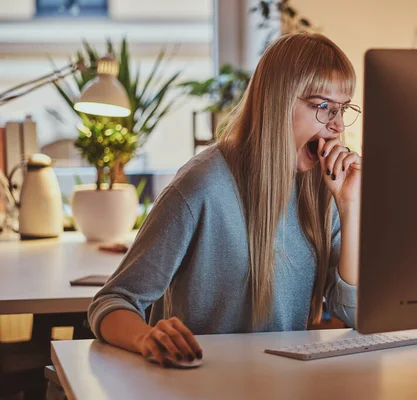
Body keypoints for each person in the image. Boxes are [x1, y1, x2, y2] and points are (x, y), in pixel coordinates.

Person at [88, 32, 363, 367]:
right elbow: (114, 301)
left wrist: (351, 210)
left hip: (283, 383)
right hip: (201, 383)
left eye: (342, 109)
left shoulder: (323, 190)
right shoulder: (202, 185)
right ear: (279, 103)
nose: (336, 126)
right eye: (322, 107)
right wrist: (147, 336)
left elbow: (353, 314)